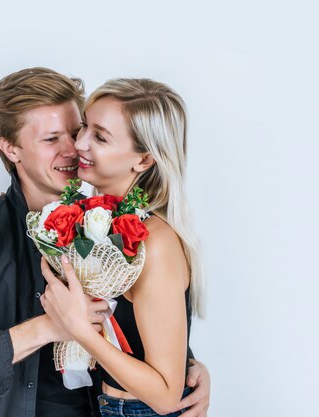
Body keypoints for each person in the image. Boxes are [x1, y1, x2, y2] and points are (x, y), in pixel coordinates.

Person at [0, 67, 210, 417]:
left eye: (77, 130)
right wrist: (47, 328)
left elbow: (140, 323)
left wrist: (189, 370)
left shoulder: (106, 222)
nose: (73, 149)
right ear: (11, 149)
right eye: (52, 139)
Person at [40, 78, 205, 417]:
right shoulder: (101, 217)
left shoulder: (155, 241)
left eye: (99, 137)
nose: (78, 144)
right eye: (84, 126)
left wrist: (79, 328)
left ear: (143, 160)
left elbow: (164, 396)